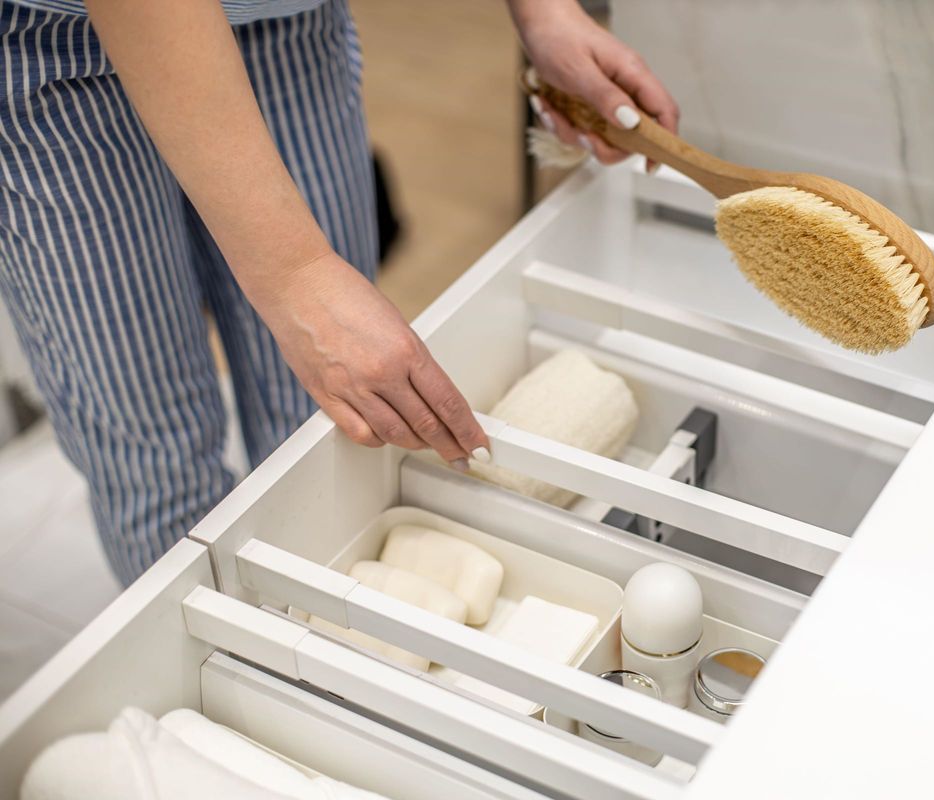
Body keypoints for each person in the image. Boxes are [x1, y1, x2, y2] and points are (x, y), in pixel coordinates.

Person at [0, 0, 679, 585]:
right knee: (156, 463)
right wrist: (294, 273)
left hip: (286, 22)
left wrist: (545, 11)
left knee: (326, 424)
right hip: (54, 52)